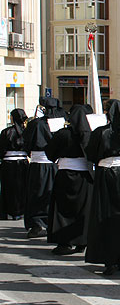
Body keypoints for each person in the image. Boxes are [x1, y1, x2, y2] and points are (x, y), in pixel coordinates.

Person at [84, 100, 120, 275]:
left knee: (105, 215)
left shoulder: (101, 132)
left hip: (106, 176)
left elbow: (91, 154)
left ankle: (109, 259)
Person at [45, 104, 94, 255]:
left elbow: (50, 153)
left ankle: (64, 242)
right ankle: (82, 241)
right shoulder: (90, 135)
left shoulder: (63, 134)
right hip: (85, 177)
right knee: (84, 210)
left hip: (66, 174)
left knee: (63, 209)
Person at [23, 98, 66, 237]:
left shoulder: (35, 124)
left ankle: (37, 224)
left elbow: (27, 143)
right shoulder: (61, 123)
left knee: (37, 193)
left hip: (39, 164)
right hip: (54, 163)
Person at [0, 109, 29, 220]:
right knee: (22, 188)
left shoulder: (6, 132)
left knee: (9, 188)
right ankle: (21, 210)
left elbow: (1, 149)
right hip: (23, 162)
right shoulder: (27, 131)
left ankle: (9, 211)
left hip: (8, 163)